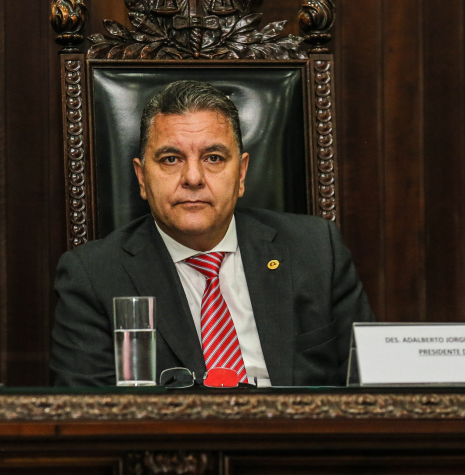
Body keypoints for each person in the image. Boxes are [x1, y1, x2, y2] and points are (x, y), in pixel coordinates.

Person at [51, 80, 373, 387]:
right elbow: (87, 418)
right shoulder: (92, 278)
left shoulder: (317, 251)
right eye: (171, 159)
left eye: (214, 158)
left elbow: (373, 387)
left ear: (242, 173)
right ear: (142, 178)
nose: (193, 177)